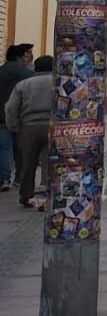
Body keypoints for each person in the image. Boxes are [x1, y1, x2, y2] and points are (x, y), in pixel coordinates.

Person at [5, 55, 55, 208]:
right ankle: (46, 197)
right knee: (48, 163)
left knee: (27, 162)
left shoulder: (23, 85)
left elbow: (11, 108)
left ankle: (26, 195)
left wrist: (14, 127)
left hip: (29, 127)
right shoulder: (59, 83)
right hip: (53, 126)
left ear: (35, 68)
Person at [0, 43, 34, 194]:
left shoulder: (1, 71)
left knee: (3, 149)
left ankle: (4, 179)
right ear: (20, 57)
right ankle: (19, 178)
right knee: (20, 149)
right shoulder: (28, 74)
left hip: (2, 117)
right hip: (22, 117)